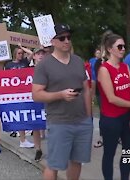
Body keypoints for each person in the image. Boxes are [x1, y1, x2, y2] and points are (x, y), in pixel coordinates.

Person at [32, 24, 93, 180]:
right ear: (53, 41)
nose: (66, 41)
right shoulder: (44, 65)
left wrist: (89, 117)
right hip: (59, 122)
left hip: (82, 121)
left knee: (77, 161)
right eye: (62, 38)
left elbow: (86, 89)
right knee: (54, 165)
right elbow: (36, 95)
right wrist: (60, 95)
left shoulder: (78, 61)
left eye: (69, 37)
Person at [97, 31, 130, 180]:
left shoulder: (125, 66)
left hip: (128, 116)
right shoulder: (104, 69)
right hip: (111, 119)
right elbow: (111, 98)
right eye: (119, 46)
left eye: (123, 46)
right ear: (109, 49)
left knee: (129, 152)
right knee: (109, 153)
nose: (123, 49)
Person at [5, 46, 34, 148]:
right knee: (20, 115)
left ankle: (26, 136)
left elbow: (31, 53)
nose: (21, 55)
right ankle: (22, 139)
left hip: (26, 92)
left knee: (28, 114)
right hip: (15, 93)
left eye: (22, 53)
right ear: (15, 54)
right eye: (19, 53)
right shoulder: (9, 65)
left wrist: (22, 47)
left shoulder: (25, 62)